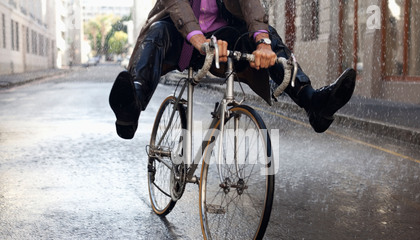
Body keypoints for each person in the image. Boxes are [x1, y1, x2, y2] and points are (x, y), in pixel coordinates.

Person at [109, 0, 356, 140]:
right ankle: (132, 105)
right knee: (156, 33)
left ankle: (313, 102)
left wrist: (262, 42)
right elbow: (177, 5)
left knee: (268, 36)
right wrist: (198, 39)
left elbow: (251, 5)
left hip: (223, 38)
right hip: (180, 35)